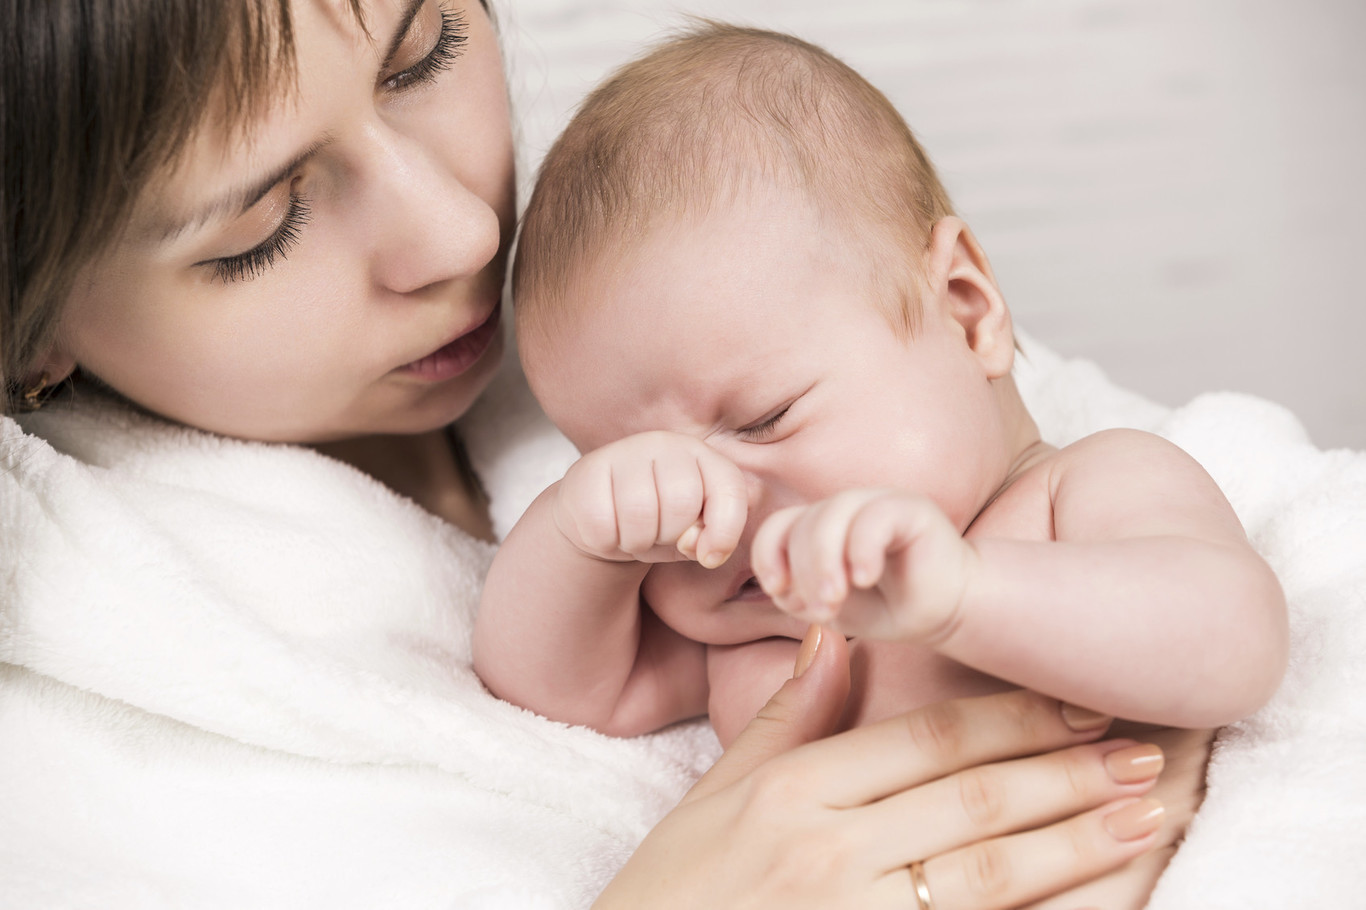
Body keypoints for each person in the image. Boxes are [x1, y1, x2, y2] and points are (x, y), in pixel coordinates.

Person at [1, 3, 1211, 907]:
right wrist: (585, 532)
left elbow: (1263, 634)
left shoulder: (752, 301)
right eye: (263, 225)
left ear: (964, 303)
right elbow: (561, 690)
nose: (467, 231)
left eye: (424, 49)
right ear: (27, 331)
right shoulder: (84, 711)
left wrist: (970, 597)